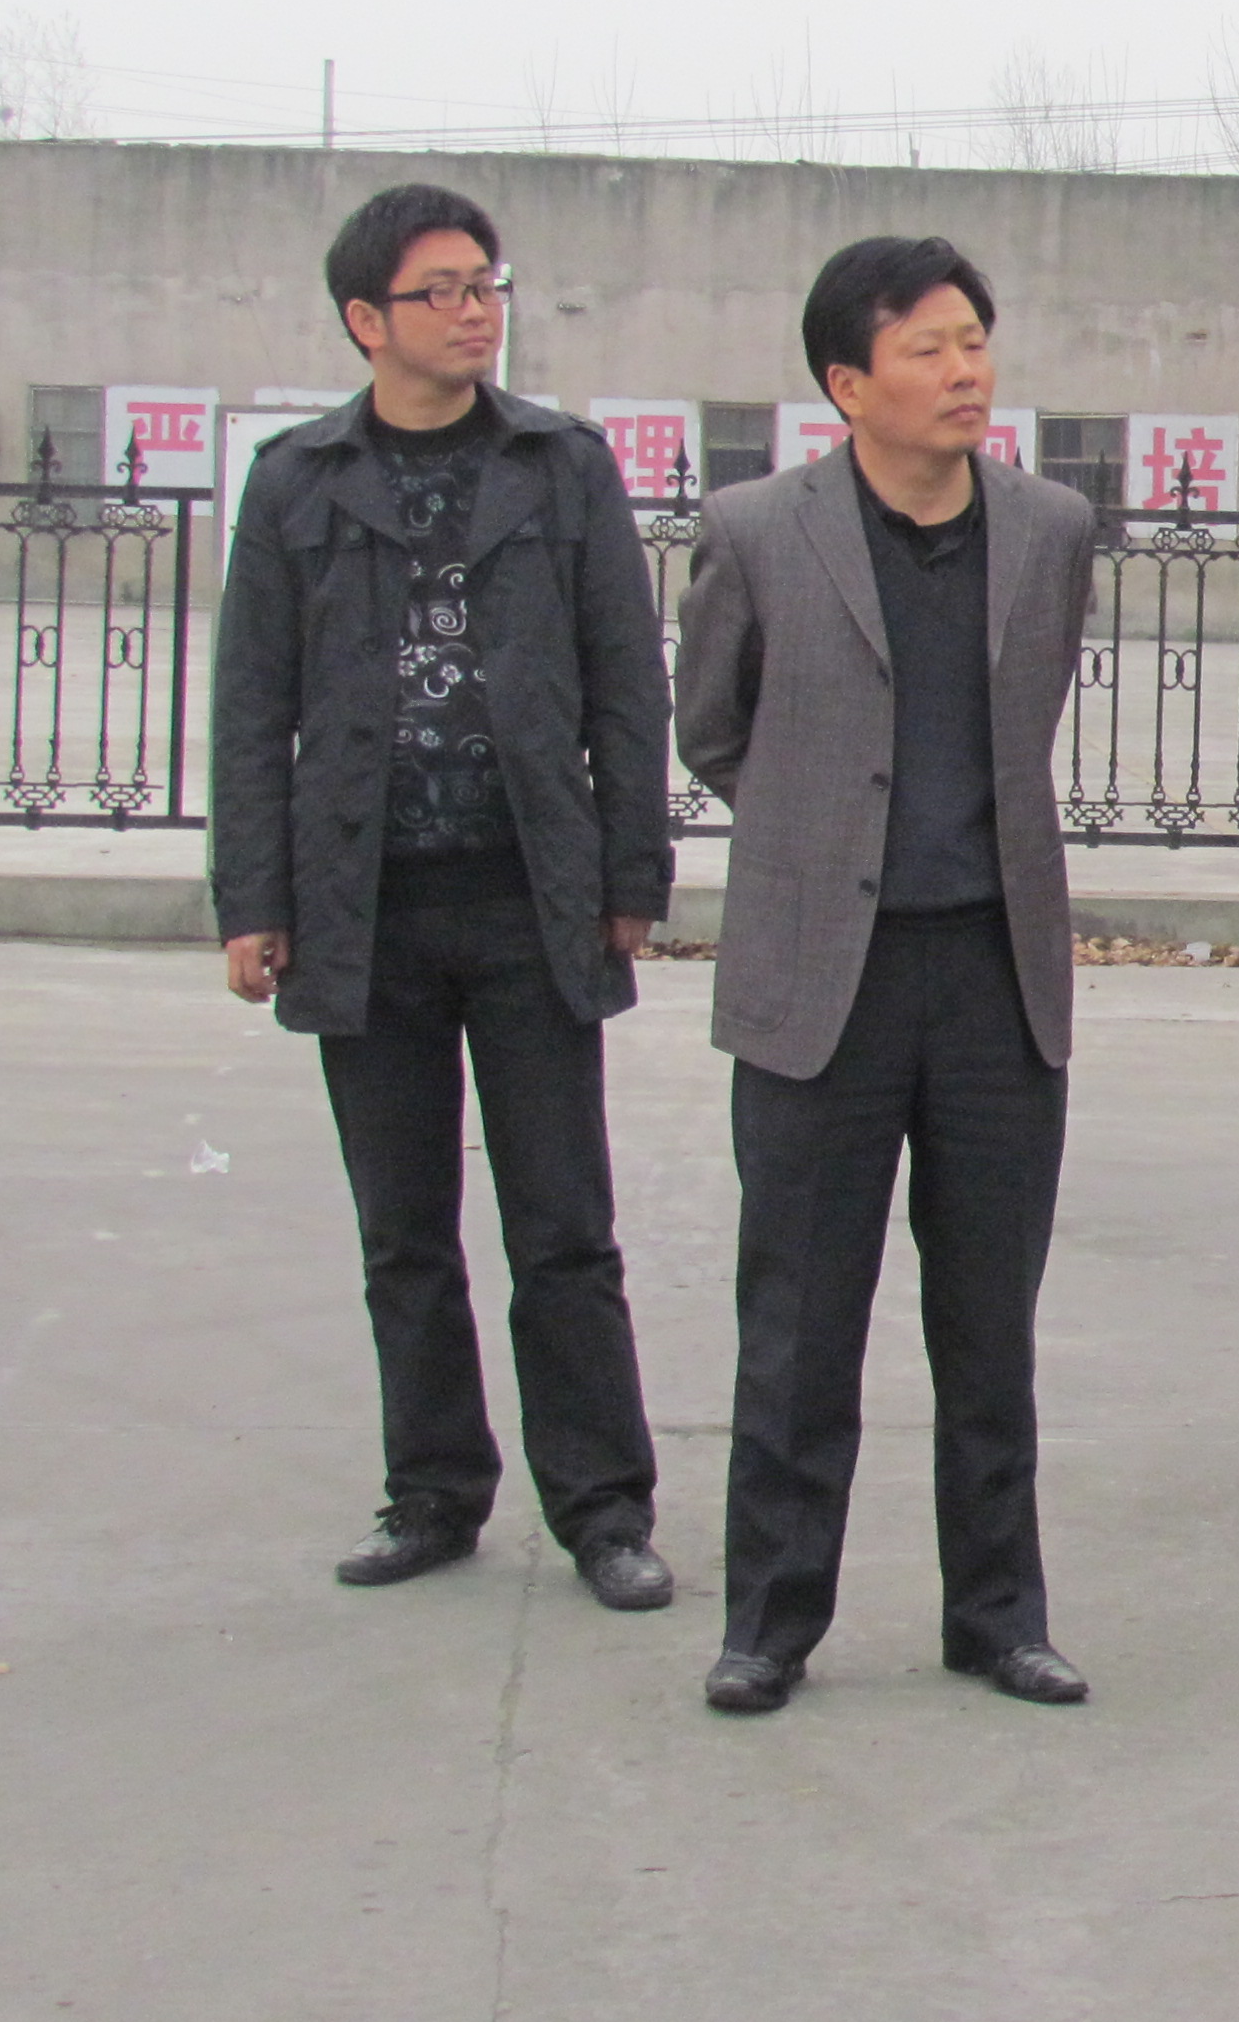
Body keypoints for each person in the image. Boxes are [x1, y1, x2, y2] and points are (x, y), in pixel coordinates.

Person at [212, 183, 677, 1608]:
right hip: (366, 905)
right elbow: (252, 705)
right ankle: (431, 1494)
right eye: (444, 290)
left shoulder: (560, 467)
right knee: (403, 1233)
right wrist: (252, 898)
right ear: (368, 319)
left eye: (488, 285)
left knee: (564, 1227)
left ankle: (604, 1510)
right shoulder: (297, 482)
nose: (477, 312)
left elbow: (625, 681)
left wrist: (631, 872)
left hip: (532, 895)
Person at [676, 235, 1095, 1717]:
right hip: (818, 985)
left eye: (975, 339)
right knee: (798, 1326)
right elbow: (713, 727)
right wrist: (825, 832)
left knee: (989, 1326)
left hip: (994, 978)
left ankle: (999, 1619)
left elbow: (1031, 712)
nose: (966, 369)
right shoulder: (755, 530)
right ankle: (769, 1624)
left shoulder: (1050, 529)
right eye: (928, 347)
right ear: (848, 384)